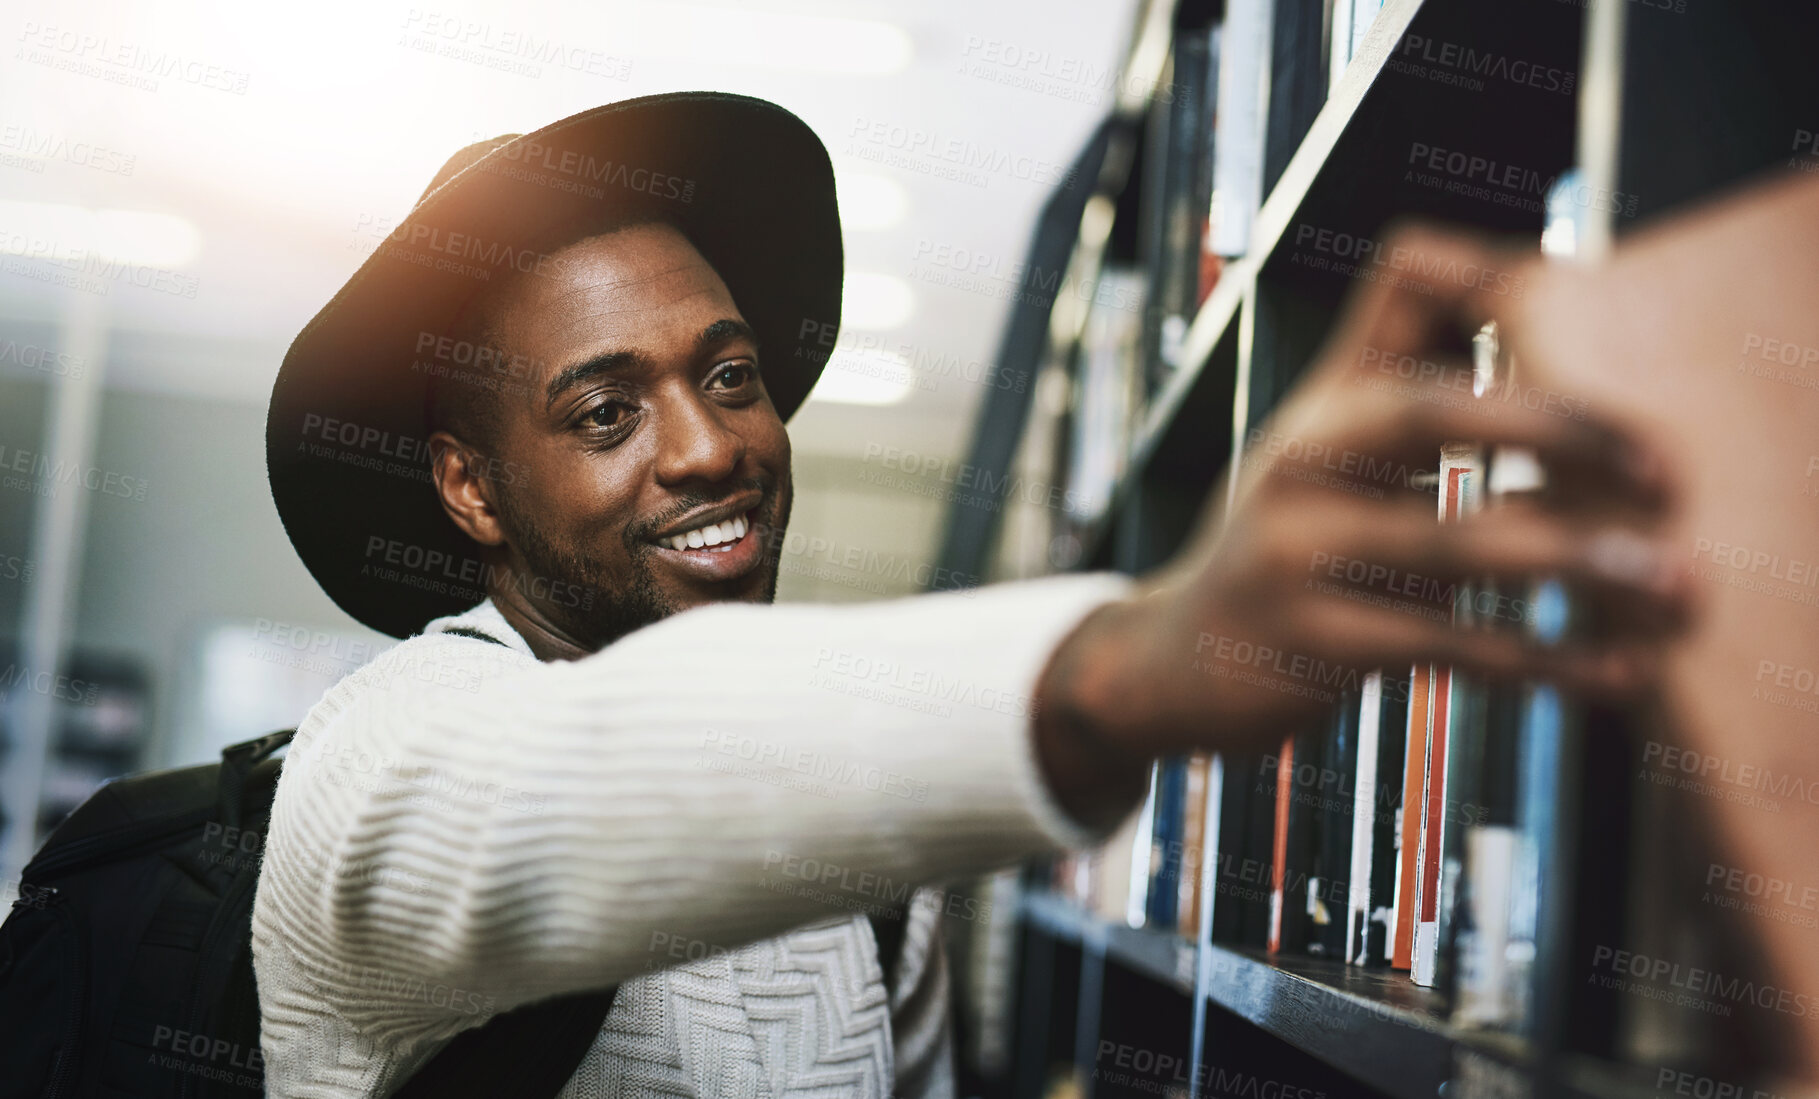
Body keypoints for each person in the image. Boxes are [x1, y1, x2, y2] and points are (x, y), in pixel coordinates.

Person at [253, 92, 1686, 1097]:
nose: (709, 450)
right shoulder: (378, 758)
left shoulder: (878, 882)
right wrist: (1123, 662)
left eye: (730, 376)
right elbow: (551, 792)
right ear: (469, 489)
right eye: (606, 415)